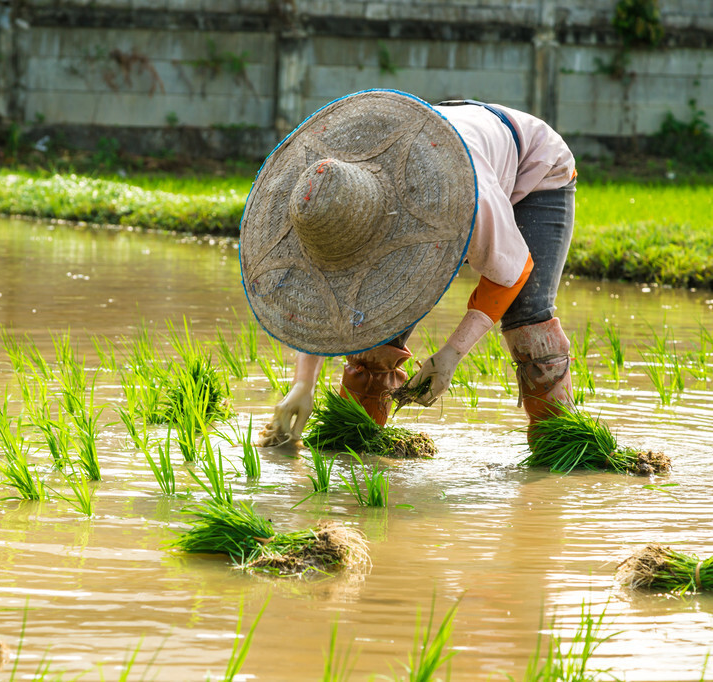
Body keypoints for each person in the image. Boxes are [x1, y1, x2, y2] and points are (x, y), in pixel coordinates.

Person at [238, 89, 577, 446]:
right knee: (376, 332)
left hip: (534, 169)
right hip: (413, 168)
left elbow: (513, 269)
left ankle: (561, 448)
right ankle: (356, 446)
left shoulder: (468, 197)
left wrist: (450, 355)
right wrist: (302, 384)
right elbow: (323, 288)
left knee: (528, 317)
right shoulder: (332, 189)